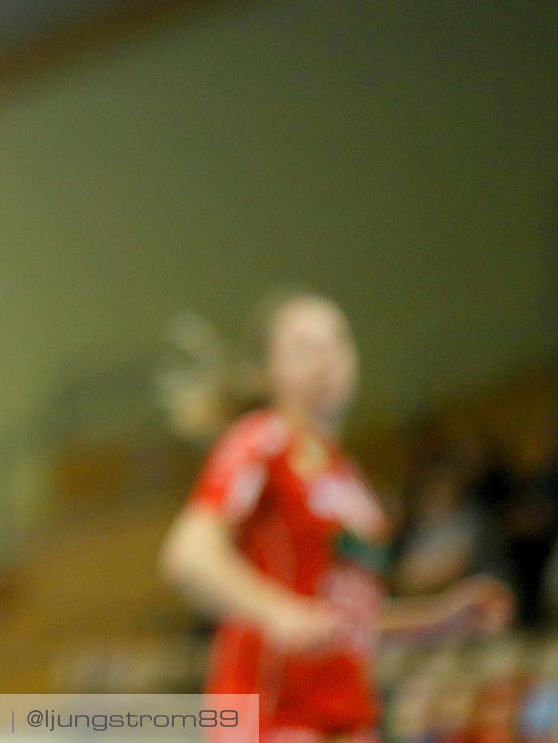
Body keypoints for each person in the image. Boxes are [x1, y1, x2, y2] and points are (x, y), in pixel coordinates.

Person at [161, 290, 513, 743]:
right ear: (269, 371)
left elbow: (349, 622)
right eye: (304, 348)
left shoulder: (353, 484)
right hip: (272, 712)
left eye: (336, 343)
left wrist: (439, 618)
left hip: (348, 715)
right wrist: (276, 611)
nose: (325, 360)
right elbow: (189, 554)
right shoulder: (263, 440)